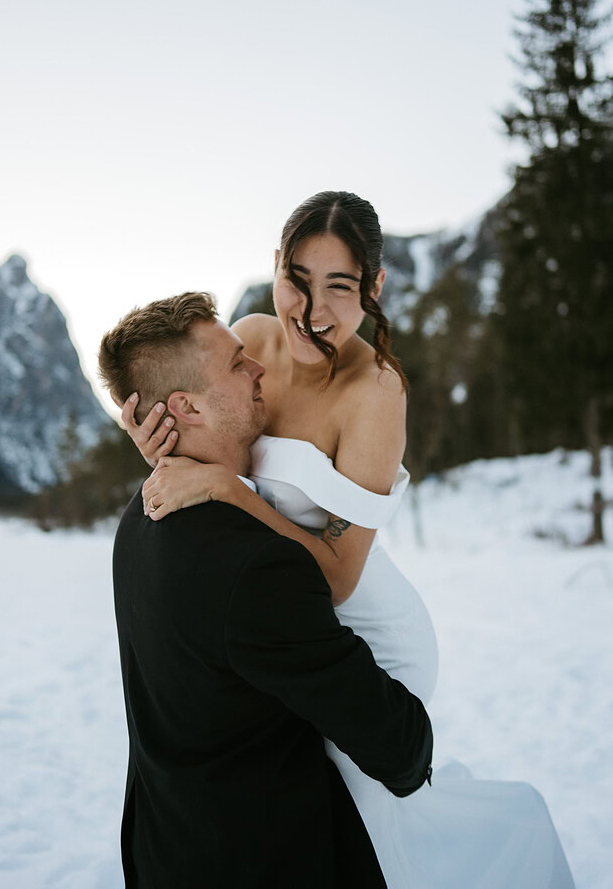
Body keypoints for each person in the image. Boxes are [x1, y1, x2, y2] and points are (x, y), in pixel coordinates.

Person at [124, 191, 576, 888]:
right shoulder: (252, 338)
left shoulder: (376, 393)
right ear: (274, 266)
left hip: (362, 615)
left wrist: (226, 491)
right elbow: (215, 442)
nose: (311, 310)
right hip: (285, 616)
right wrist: (162, 446)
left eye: (339, 286)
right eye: (296, 281)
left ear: (375, 287)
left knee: (376, 828)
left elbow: (334, 574)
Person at [98, 290, 434, 889]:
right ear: (188, 408)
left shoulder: (137, 522)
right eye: (235, 364)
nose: (258, 366)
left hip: (162, 851)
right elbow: (400, 748)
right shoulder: (258, 570)